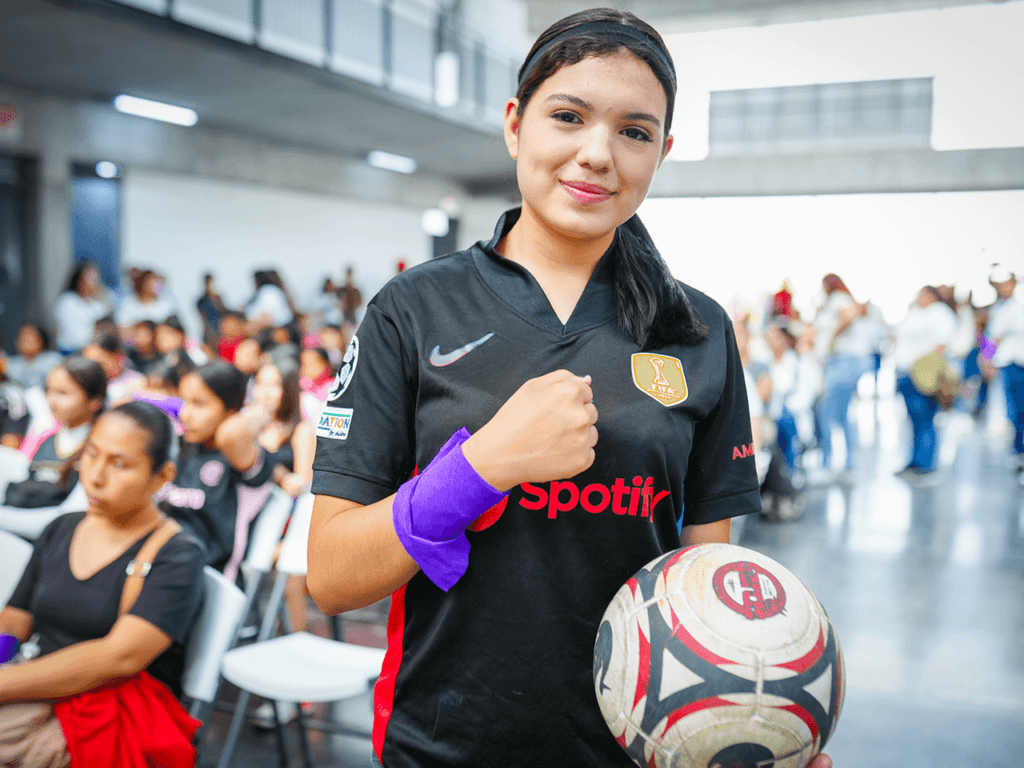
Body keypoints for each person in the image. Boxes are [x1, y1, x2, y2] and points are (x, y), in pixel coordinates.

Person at [307, 10, 834, 768]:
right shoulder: (413, 309)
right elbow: (330, 575)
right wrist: (480, 467)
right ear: (516, 124)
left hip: (634, 750)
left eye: (634, 131)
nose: (597, 154)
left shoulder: (699, 330)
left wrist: (755, 729)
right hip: (443, 743)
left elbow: (707, 589)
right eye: (568, 116)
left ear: (662, 153)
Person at [0, 401, 206, 766]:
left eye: (119, 464)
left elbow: (118, 658)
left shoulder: (176, 555)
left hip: (103, 712)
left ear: (162, 476)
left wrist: (5, 685)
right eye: (91, 455)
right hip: (34, 687)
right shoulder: (62, 529)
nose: (94, 476)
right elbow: (14, 622)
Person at [157, 361, 273, 571]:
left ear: (231, 410)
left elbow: (230, 434)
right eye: (184, 401)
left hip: (205, 573)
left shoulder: (240, 456)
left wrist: (259, 412)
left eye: (199, 404)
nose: (185, 414)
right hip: (159, 556)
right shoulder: (183, 444)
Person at [4, 357, 106, 509]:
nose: (51, 400)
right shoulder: (48, 438)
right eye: (48, 390)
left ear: (94, 401)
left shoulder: (100, 447)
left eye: (62, 393)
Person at [893, 286, 958, 479]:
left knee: (925, 419)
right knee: (914, 420)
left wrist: (924, 368)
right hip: (906, 373)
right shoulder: (916, 313)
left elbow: (941, 344)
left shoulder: (940, 314)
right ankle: (915, 462)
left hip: (922, 375)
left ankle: (926, 466)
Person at [813, 273, 870, 477]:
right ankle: (848, 462)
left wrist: (831, 338)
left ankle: (830, 463)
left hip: (844, 361)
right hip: (839, 362)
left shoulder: (839, 299)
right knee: (841, 414)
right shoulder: (831, 303)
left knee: (827, 411)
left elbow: (849, 316)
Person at [983, 266, 1024, 472]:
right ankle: (1019, 453)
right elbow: (993, 337)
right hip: (1014, 365)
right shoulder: (1003, 309)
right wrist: (986, 358)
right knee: (1017, 412)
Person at [53, 262, 110, 354]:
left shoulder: (98, 306)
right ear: (79, 281)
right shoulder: (66, 302)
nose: (96, 282)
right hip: (71, 352)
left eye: (96, 278)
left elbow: (107, 331)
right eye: (91, 279)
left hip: (94, 352)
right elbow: (77, 337)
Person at [82, 332, 145, 406]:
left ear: (118, 356)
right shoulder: (84, 385)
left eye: (99, 363)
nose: (91, 368)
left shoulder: (137, 382)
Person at [5, 323, 62, 390]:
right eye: (22, 337)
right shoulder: (11, 363)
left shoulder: (53, 359)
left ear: (42, 340)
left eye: (31, 337)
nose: (26, 341)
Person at [195, 272, 227, 349]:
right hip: (209, 333)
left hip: (221, 332)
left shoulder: (218, 298)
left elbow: (224, 313)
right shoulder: (201, 301)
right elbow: (202, 319)